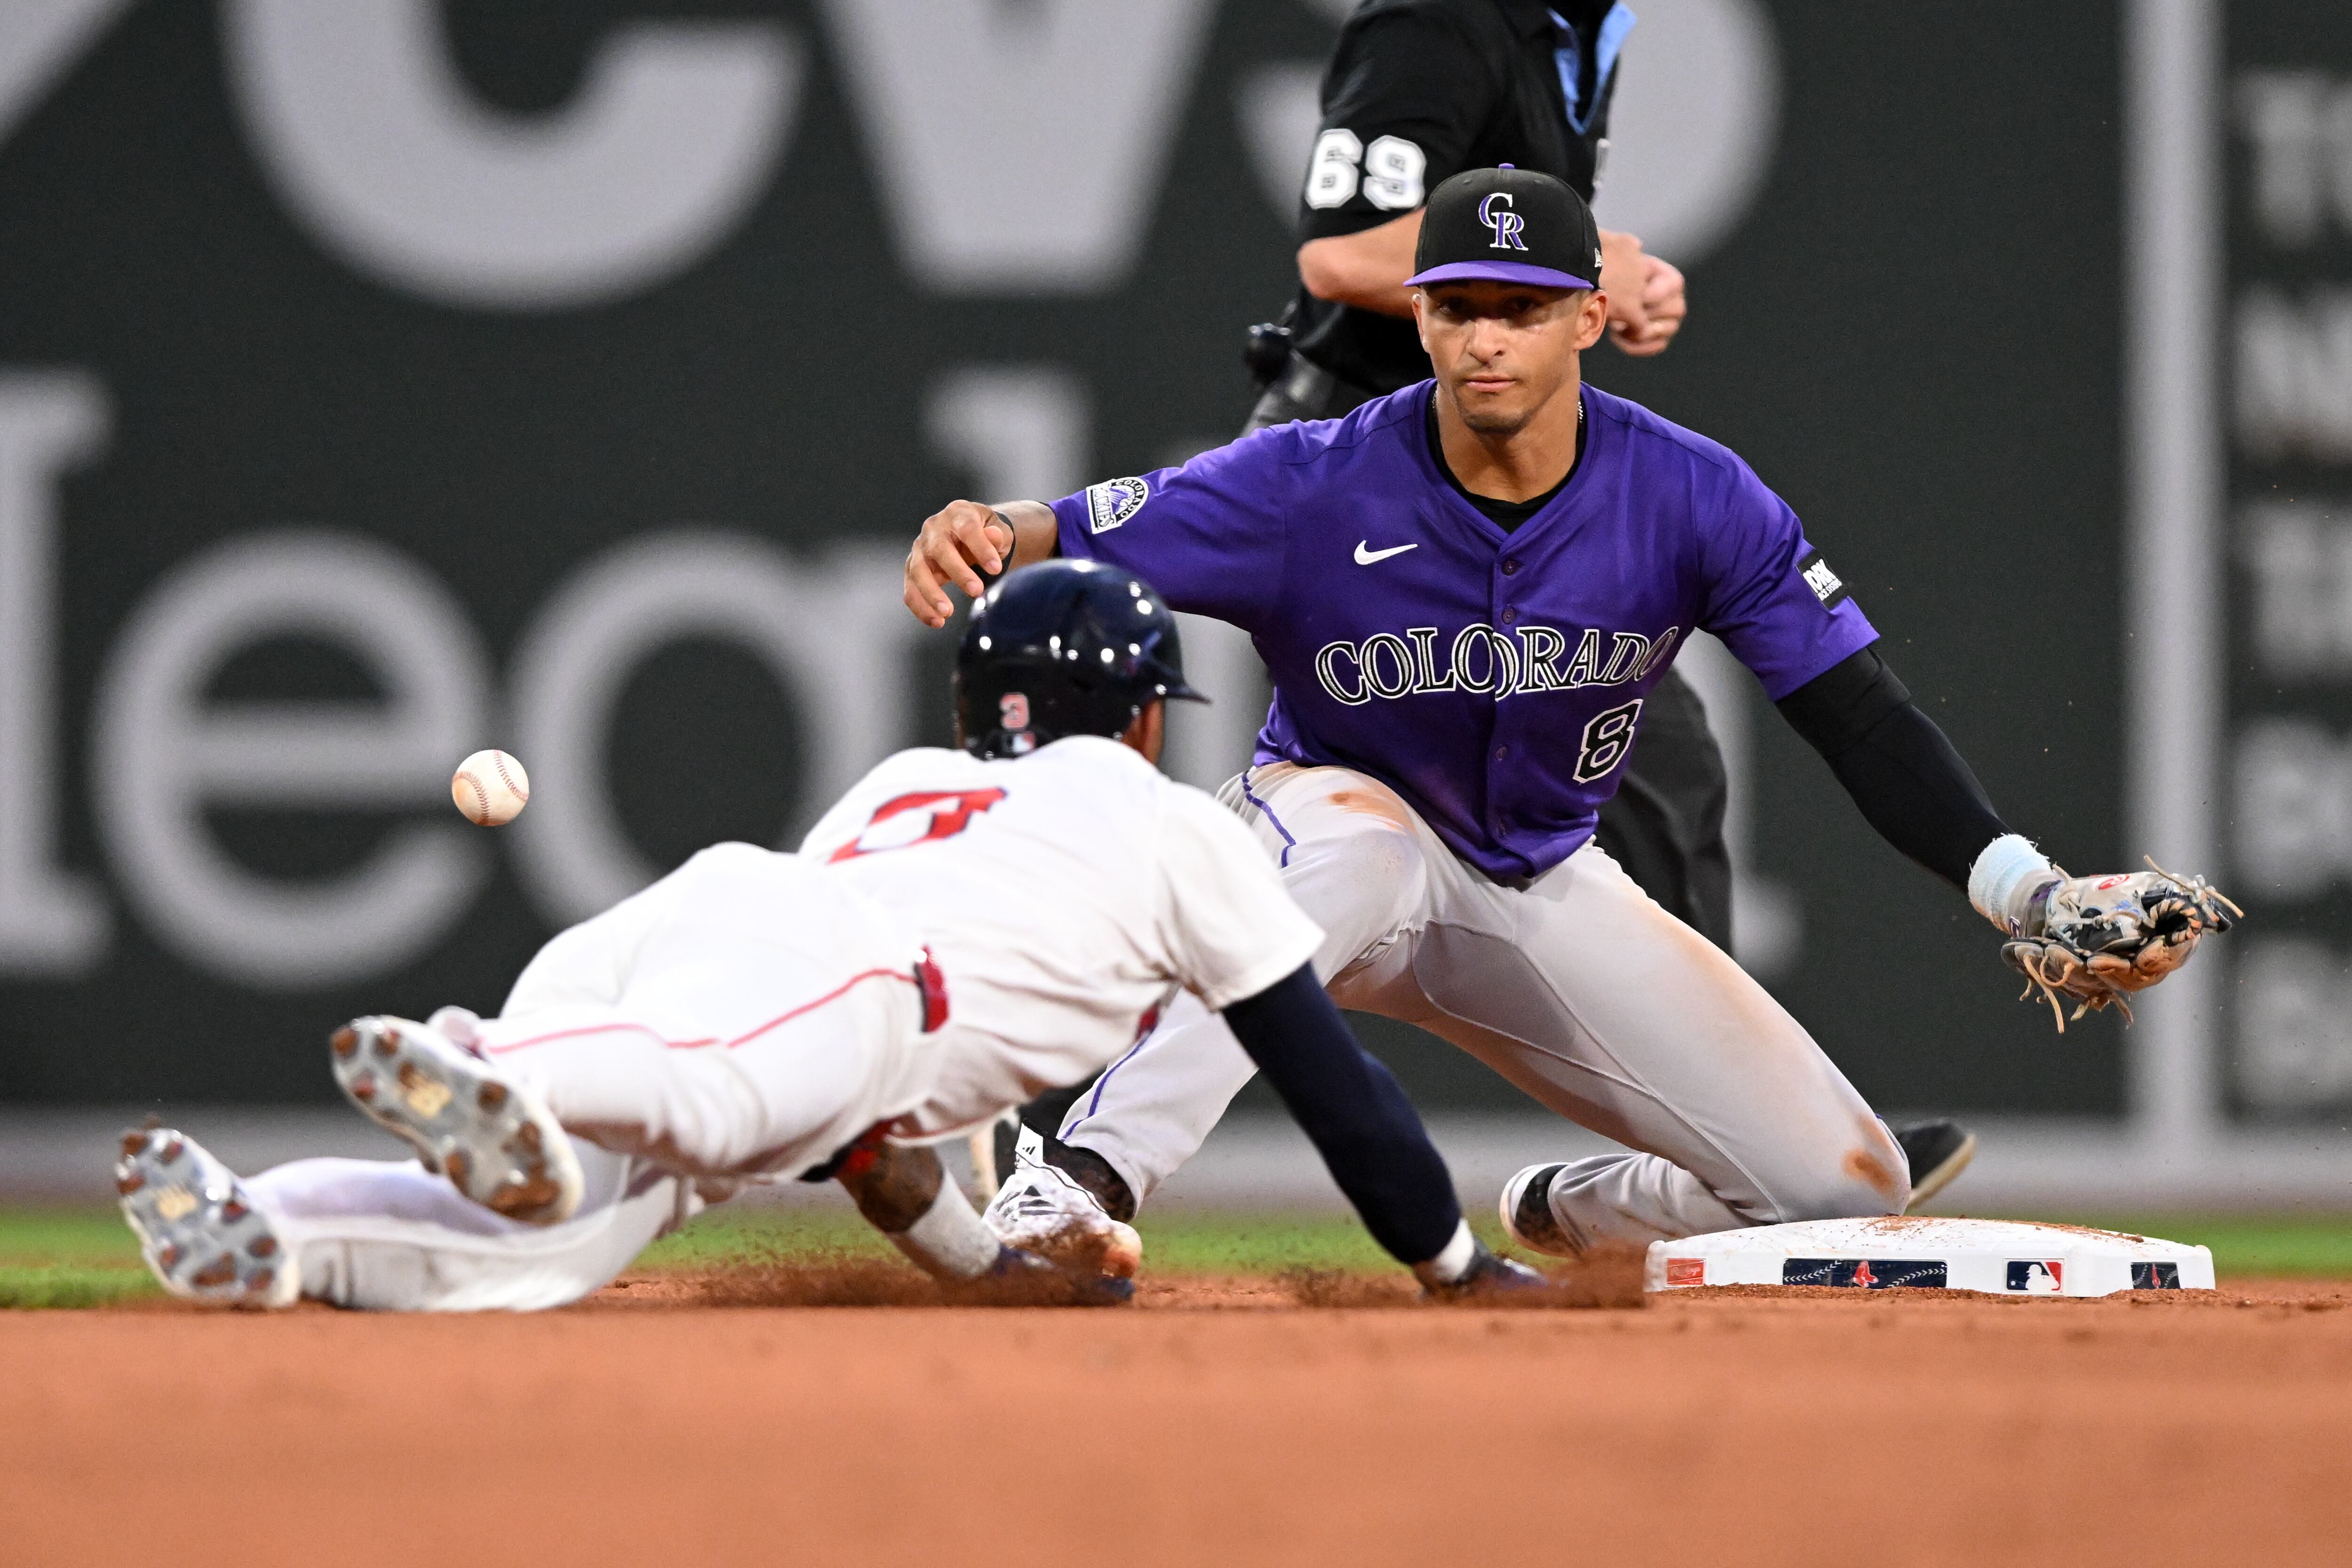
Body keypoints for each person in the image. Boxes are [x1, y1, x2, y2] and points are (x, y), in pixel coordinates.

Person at [901, 167, 2233, 1275]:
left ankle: (1572, 1212)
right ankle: (1077, 1180)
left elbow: (1858, 718)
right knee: (1342, 855)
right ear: (1417, 317)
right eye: (1461, 306)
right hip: (1333, 836)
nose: (1489, 338)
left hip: (1534, 880)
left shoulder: (1695, 499)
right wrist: (985, 532)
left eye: (1525, 308)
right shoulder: (1312, 483)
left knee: (1847, 1190)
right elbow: (1076, 528)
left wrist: (2026, 890)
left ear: (1588, 317)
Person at [114, 561, 1538, 1310]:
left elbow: (873, 1149)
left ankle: (273, 1227)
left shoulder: (915, 787)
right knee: (703, 1104)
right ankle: (485, 1061)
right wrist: (1451, 1265)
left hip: (712, 933)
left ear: (984, 705)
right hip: (850, 991)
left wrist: (989, 1277)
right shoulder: (1174, 826)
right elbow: (1327, 1076)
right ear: (1148, 713)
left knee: (540, 1244)